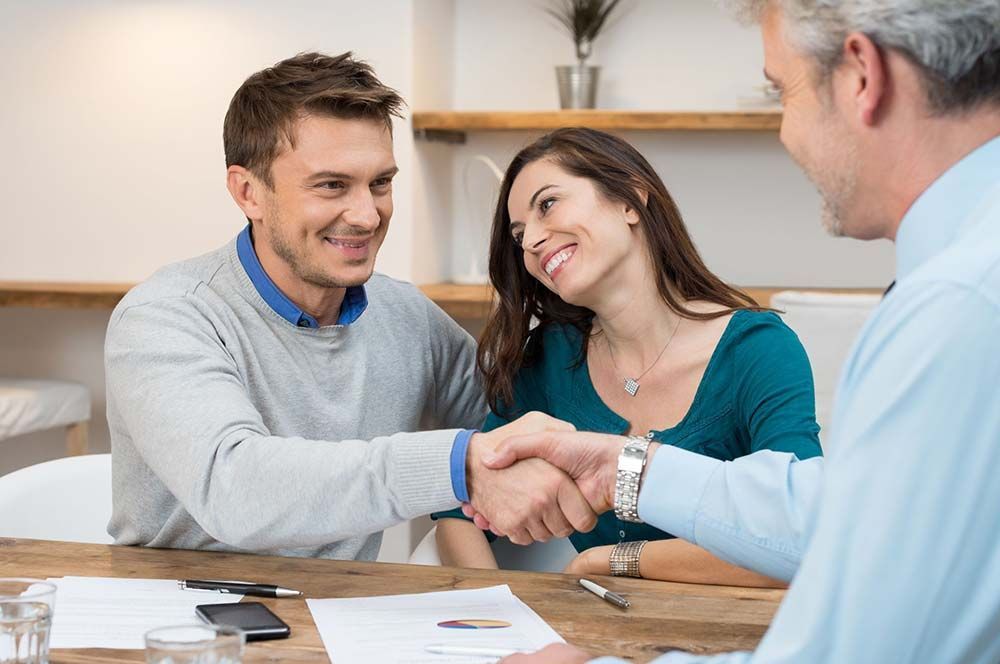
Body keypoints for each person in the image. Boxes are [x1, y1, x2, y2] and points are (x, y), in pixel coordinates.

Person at [476, 0, 1000, 661]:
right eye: (520, 232)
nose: (785, 132)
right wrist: (626, 469)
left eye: (783, 92)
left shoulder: (960, 306)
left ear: (863, 77)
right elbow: (846, 515)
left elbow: (861, 641)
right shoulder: (961, 284)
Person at [103, 51, 597, 561]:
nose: (367, 216)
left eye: (380, 183)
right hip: (180, 607)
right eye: (332, 185)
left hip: (343, 606)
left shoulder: (407, 318)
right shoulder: (164, 317)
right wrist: (456, 466)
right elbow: (234, 488)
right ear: (248, 192)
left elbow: (521, 428)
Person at [433, 127, 821, 587]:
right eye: (518, 235)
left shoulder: (757, 350)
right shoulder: (549, 359)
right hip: (590, 624)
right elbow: (460, 508)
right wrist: (495, 609)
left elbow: (804, 536)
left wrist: (611, 560)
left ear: (630, 200)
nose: (531, 241)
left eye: (547, 204)